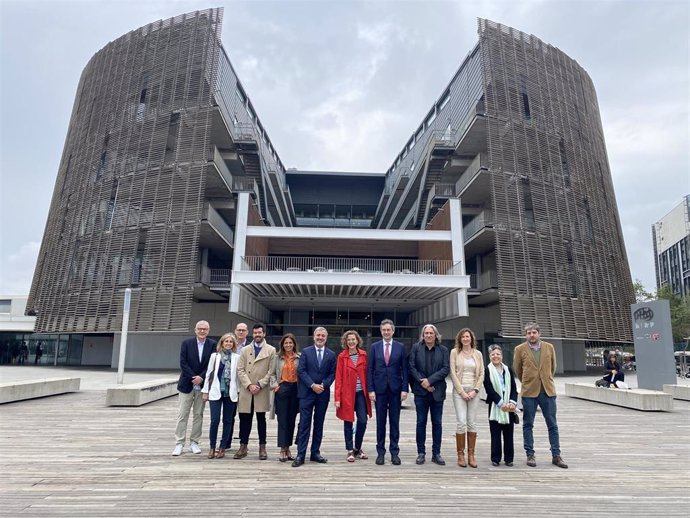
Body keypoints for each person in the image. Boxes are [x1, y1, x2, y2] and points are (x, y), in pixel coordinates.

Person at [513, 322, 568, 468]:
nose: (532, 335)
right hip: (529, 392)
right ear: (526, 335)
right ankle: (530, 454)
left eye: (534, 332)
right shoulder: (519, 349)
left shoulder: (549, 347)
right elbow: (517, 369)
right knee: (528, 425)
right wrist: (529, 380)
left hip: (547, 391)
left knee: (552, 425)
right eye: (529, 333)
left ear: (539, 333)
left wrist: (545, 378)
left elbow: (553, 367)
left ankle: (556, 455)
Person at [292, 327, 336, 467]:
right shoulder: (306, 352)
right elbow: (301, 370)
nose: (320, 338)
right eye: (318, 335)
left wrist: (323, 385)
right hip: (307, 393)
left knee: (319, 424)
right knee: (305, 424)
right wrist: (312, 385)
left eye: (323, 336)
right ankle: (301, 454)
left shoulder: (331, 354)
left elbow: (332, 373)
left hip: (322, 394)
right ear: (314, 336)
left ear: (326, 337)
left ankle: (315, 452)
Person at [367, 319, 408, 466]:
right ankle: (380, 453)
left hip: (396, 390)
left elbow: (405, 369)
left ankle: (394, 453)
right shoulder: (374, 347)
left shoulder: (400, 347)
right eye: (384, 330)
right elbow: (370, 370)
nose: (386, 332)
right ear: (381, 331)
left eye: (388, 330)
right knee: (381, 422)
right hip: (379, 391)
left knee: (394, 422)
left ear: (393, 331)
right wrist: (370, 389)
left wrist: (405, 389)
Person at [408, 324, 450, 465]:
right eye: (426, 333)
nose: (428, 335)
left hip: (437, 391)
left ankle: (436, 453)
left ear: (435, 335)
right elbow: (412, 367)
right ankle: (421, 453)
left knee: (437, 423)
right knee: (421, 423)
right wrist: (423, 382)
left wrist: (430, 381)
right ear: (423, 335)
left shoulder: (443, 350)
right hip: (420, 392)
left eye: (431, 333)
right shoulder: (416, 348)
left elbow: (446, 368)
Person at [172, 320, 215, 456]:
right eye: (200, 329)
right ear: (195, 330)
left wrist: (201, 378)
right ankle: (179, 443)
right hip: (186, 384)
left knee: (198, 415)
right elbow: (183, 362)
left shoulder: (212, 345)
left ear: (208, 330)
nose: (202, 331)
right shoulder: (186, 343)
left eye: (205, 329)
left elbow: (211, 364)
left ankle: (194, 442)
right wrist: (193, 378)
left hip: (202, 385)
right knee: (182, 415)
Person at [235, 323, 276, 460]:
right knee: (244, 419)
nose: (257, 335)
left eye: (260, 333)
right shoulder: (245, 349)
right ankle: (243, 445)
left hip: (261, 389)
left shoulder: (271, 350)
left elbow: (272, 371)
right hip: (247, 390)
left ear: (264, 333)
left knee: (261, 419)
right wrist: (249, 385)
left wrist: (259, 384)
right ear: (252, 334)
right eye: (255, 333)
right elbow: (240, 369)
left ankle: (262, 447)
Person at [335, 330, 372, 462]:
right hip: (347, 394)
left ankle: (357, 448)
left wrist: (371, 391)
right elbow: (338, 378)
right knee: (348, 421)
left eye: (353, 339)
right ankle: (350, 450)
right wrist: (337, 398)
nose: (351, 342)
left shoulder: (364, 355)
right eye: (348, 340)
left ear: (357, 341)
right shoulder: (342, 357)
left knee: (363, 420)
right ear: (345, 341)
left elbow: (368, 374)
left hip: (361, 393)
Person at [449, 328, 484, 468]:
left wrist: (475, 390)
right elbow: (452, 372)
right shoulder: (454, 353)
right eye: (463, 336)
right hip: (460, 391)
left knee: (472, 423)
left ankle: (471, 455)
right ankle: (460, 454)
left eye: (467, 336)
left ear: (471, 338)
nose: (465, 339)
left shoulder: (478, 354)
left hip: (474, 391)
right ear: (460, 339)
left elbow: (481, 373)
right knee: (461, 422)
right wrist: (462, 391)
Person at [201, 332, 240, 459]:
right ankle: (212, 447)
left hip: (230, 393)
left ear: (233, 344)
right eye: (226, 341)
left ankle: (223, 447)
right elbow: (209, 374)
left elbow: (238, 377)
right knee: (215, 420)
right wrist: (205, 391)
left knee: (228, 421)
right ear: (222, 343)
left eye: (230, 342)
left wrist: (239, 391)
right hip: (216, 391)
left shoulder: (237, 357)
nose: (228, 343)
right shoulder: (215, 356)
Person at [483, 344, 518, 467]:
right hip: (495, 405)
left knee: (509, 433)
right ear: (490, 357)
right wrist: (500, 403)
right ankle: (495, 458)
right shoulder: (487, 370)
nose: (495, 356)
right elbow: (489, 389)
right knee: (495, 434)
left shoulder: (508, 369)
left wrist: (512, 402)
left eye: (498, 354)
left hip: (509, 405)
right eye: (493, 354)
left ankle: (509, 458)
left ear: (502, 356)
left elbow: (514, 387)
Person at [270, 333, 301, 462]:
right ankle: (283, 448)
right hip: (282, 389)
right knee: (282, 420)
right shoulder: (277, 357)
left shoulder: (299, 357)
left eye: (290, 343)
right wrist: (275, 385)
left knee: (291, 420)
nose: (288, 345)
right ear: (282, 344)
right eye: (286, 343)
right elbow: (271, 374)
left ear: (294, 344)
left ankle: (288, 448)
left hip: (295, 389)